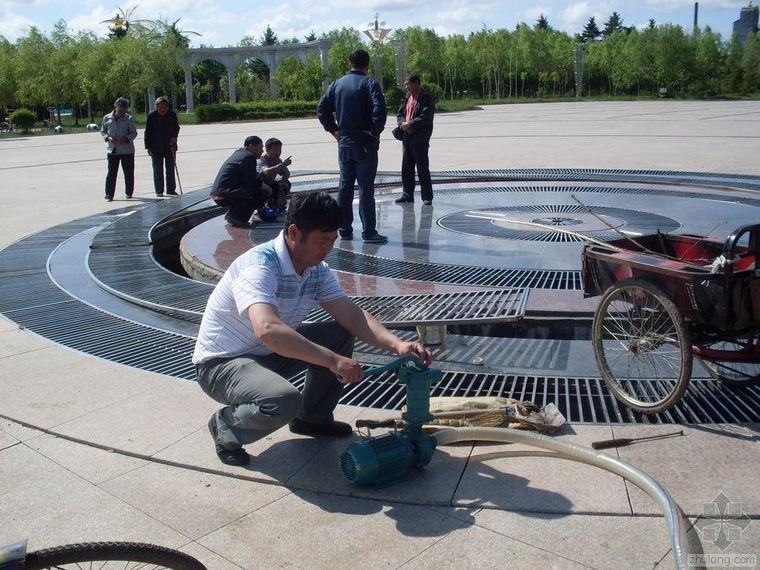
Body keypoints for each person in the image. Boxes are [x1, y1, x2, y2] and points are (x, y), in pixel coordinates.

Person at [192, 191, 432, 466]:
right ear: (294, 232)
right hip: (223, 364)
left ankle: (312, 419)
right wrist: (332, 361)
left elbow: (352, 316)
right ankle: (226, 428)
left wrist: (398, 345)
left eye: (332, 240)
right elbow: (268, 329)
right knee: (282, 400)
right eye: (321, 241)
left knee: (339, 334)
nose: (327, 248)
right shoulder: (258, 267)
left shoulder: (315, 269)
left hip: (268, 355)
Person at [317, 49, 388, 244]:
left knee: (345, 187)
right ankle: (368, 232)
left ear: (350, 65)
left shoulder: (336, 84)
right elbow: (380, 109)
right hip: (364, 144)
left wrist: (334, 130)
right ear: (367, 65)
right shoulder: (370, 83)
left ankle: (345, 230)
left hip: (345, 144)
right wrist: (374, 131)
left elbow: (322, 109)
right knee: (365, 188)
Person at [210, 135, 273, 229]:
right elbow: (251, 181)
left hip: (218, 193)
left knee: (250, 190)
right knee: (257, 192)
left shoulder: (240, 153)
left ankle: (233, 214)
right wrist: (265, 186)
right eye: (260, 147)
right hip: (224, 195)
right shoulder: (249, 156)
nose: (262, 151)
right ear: (251, 146)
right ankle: (238, 218)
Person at [394, 74, 435, 206]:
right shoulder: (407, 98)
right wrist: (403, 124)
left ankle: (427, 196)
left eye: (408, 84)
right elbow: (400, 114)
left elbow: (425, 117)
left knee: (422, 168)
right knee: (407, 168)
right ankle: (407, 194)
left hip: (420, 138)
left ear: (416, 83)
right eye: (405, 84)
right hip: (407, 137)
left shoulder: (426, 98)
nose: (406, 87)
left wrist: (410, 124)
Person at [101, 97, 137, 201]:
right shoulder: (107, 118)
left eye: (124, 111)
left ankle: (129, 192)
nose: (121, 113)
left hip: (127, 150)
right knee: (111, 172)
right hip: (113, 150)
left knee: (128, 172)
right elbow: (103, 131)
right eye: (120, 110)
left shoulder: (128, 118)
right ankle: (109, 194)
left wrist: (125, 139)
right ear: (115, 107)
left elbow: (133, 133)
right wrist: (108, 138)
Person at [144, 96, 180, 197]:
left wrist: (174, 136)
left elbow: (176, 127)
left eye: (164, 107)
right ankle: (159, 190)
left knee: (170, 169)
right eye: (160, 107)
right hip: (156, 147)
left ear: (167, 107)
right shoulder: (151, 116)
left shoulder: (172, 115)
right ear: (156, 107)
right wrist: (148, 147)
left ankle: (171, 189)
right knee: (157, 170)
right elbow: (148, 132)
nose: (162, 109)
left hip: (170, 146)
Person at [257, 137, 292, 213]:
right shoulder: (261, 160)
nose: (278, 152)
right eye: (275, 150)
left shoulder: (277, 160)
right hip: (259, 186)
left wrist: (282, 182)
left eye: (279, 150)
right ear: (267, 150)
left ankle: (279, 206)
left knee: (286, 184)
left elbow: (286, 173)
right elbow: (267, 172)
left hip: (270, 184)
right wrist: (283, 164)